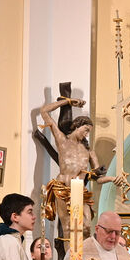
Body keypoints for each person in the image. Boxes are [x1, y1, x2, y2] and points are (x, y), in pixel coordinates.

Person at [39, 97, 113, 240]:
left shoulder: (89, 151)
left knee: (86, 226)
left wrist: (111, 178)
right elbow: (44, 111)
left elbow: (99, 179)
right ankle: (70, 255)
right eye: (86, 130)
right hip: (62, 188)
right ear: (77, 126)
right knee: (68, 228)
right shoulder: (62, 141)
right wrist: (68, 101)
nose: (87, 134)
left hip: (79, 190)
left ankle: (83, 254)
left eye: (89, 132)